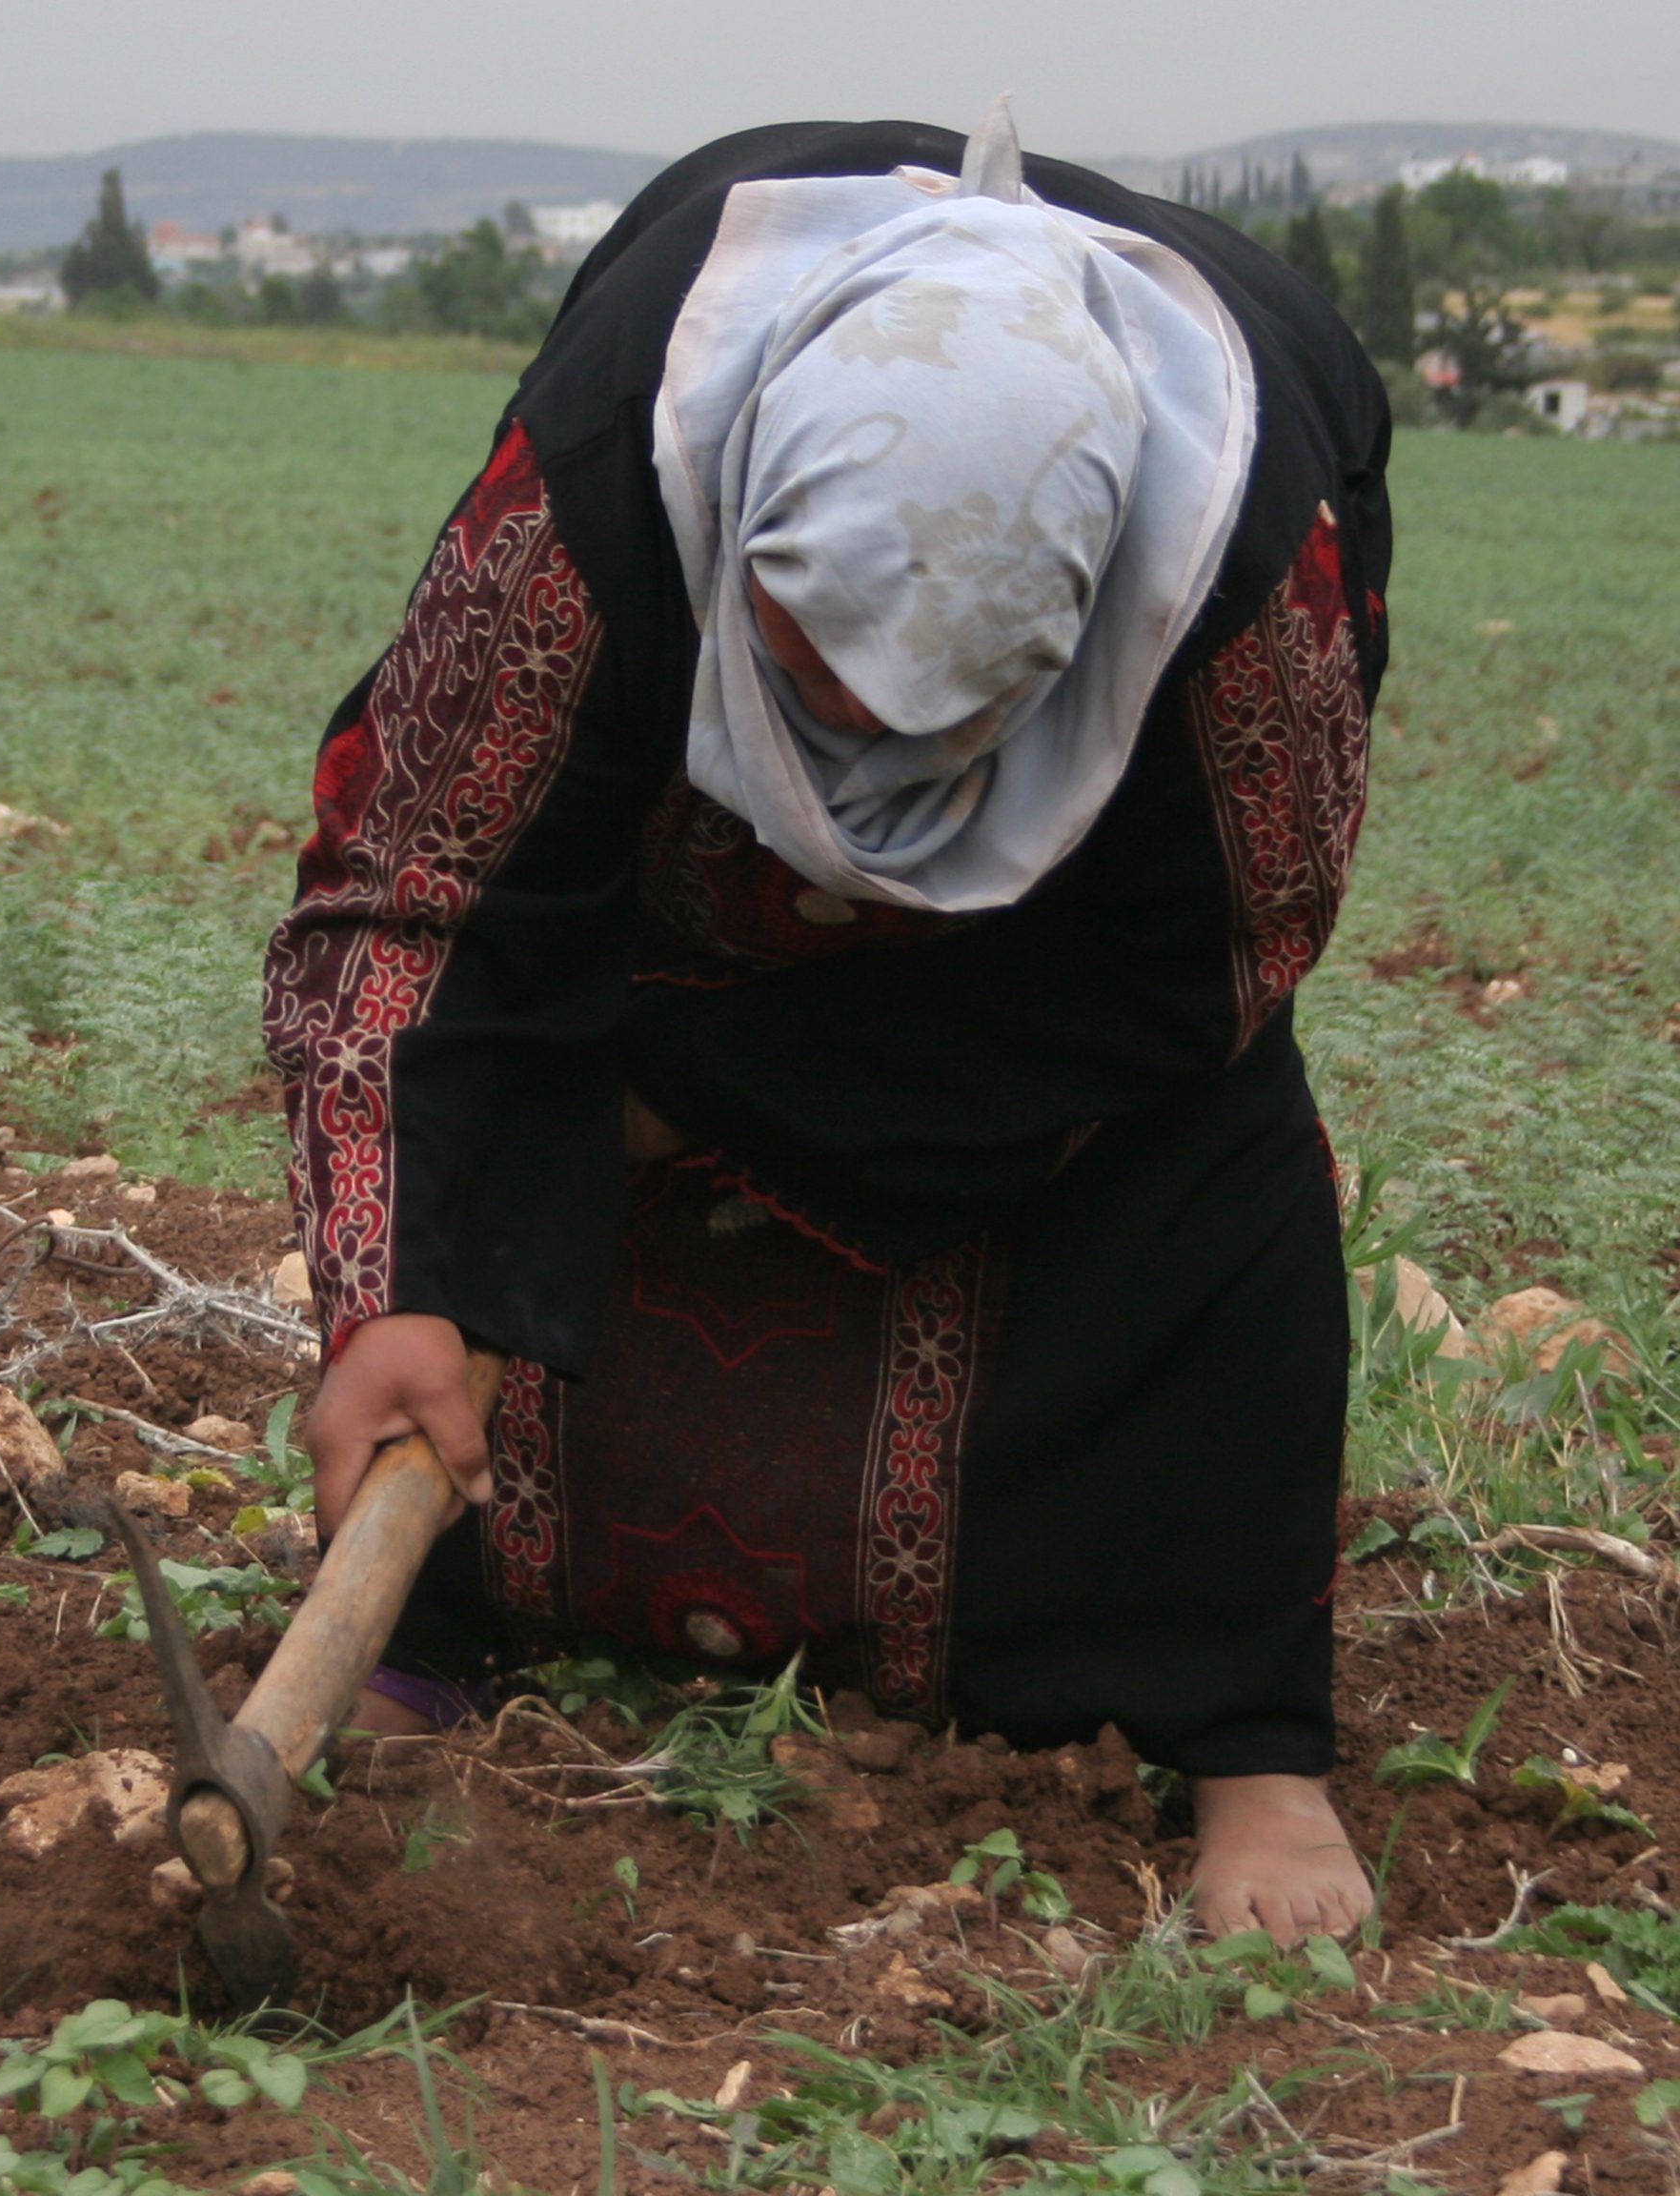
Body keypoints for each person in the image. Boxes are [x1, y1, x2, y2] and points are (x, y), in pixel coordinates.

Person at [266, 108, 1388, 1947]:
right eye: (808, 665)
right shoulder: (608, 482)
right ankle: (434, 1621)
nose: (859, 763)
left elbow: (1215, 964)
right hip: (660, 903)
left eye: (937, 719)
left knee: (1219, 1155)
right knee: (487, 1105)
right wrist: (393, 1285)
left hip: (1072, 975)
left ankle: (1244, 1743)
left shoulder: (1252, 587)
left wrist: (688, 1092)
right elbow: (418, 890)